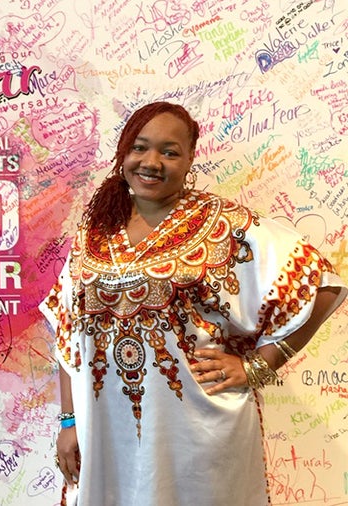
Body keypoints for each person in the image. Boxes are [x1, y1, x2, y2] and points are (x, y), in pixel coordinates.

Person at [40, 101, 347, 506]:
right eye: (139, 147)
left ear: (189, 160)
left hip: (198, 432)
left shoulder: (223, 223)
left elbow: (319, 283)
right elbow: (68, 331)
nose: (151, 162)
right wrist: (69, 420)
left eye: (169, 152)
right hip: (107, 435)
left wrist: (258, 365)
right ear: (123, 153)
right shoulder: (95, 229)